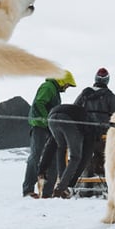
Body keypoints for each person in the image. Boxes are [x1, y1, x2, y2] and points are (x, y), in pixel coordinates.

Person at [46, 68, 115, 198]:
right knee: (86, 157)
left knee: (67, 151)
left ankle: (65, 184)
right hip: (99, 132)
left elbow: (75, 109)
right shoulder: (110, 96)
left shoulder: (84, 94)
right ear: (107, 81)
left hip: (80, 129)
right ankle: (69, 186)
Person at [22, 70, 75, 198]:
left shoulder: (54, 90)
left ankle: (48, 192)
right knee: (36, 156)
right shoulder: (48, 87)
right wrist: (47, 119)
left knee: (53, 158)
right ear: (62, 81)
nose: (66, 88)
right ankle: (28, 190)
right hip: (40, 127)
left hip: (49, 128)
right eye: (67, 85)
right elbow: (39, 103)